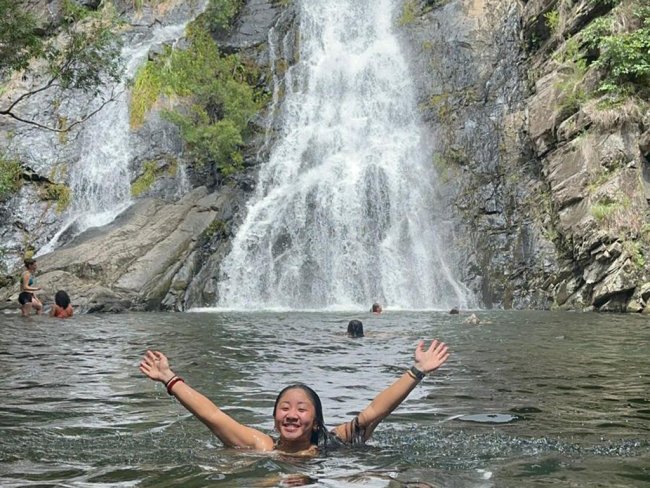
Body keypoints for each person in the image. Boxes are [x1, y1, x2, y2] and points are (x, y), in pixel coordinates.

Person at [139, 339, 449, 455]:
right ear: (274, 418)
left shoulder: (335, 442)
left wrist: (416, 371)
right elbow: (214, 416)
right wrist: (170, 378)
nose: (291, 414)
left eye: (302, 409)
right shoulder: (261, 446)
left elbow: (374, 411)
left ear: (315, 421)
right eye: (284, 408)